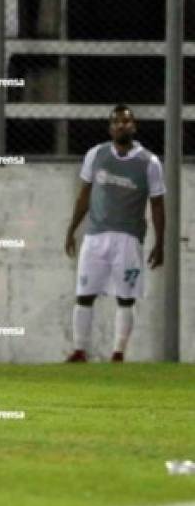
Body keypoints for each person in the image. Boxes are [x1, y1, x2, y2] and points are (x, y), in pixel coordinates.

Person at [64, 105, 165, 363]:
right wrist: (72, 228)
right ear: (110, 128)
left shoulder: (149, 163)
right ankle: (79, 350)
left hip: (128, 238)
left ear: (134, 126)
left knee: (126, 297)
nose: (121, 126)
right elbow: (84, 194)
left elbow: (157, 204)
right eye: (117, 122)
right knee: (84, 294)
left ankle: (118, 353)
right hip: (95, 236)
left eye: (126, 121)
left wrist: (160, 241)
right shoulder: (96, 154)